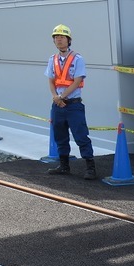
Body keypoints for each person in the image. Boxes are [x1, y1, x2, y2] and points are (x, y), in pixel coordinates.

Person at [45, 24, 96, 180]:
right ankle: (64, 166)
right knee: (60, 136)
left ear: (68, 40)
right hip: (58, 105)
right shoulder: (52, 59)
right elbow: (51, 81)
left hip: (73, 104)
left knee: (81, 136)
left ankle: (90, 167)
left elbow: (77, 80)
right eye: (56, 37)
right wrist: (55, 97)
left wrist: (62, 97)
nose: (59, 40)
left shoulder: (77, 59)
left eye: (62, 37)